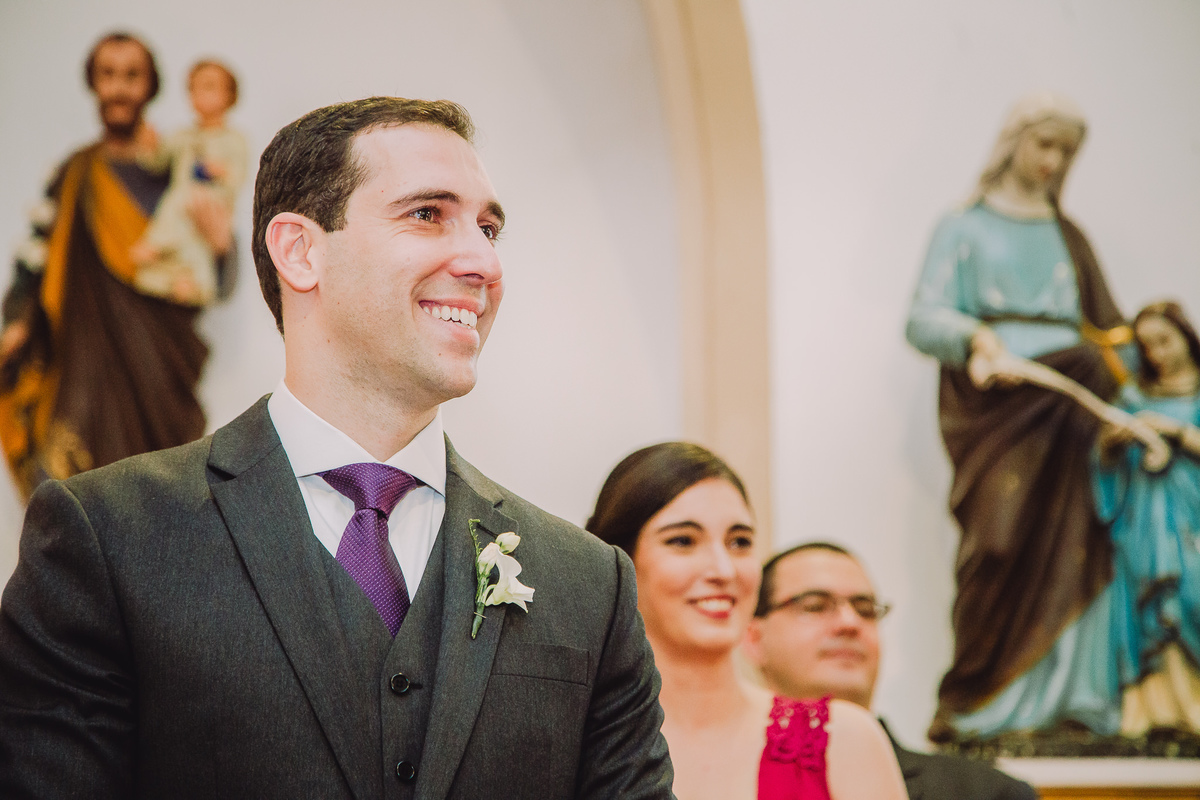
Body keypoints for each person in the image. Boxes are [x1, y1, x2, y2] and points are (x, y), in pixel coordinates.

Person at [0, 97, 673, 798]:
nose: (481, 261)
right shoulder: (108, 539)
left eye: (489, 228)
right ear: (300, 250)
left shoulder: (590, 585)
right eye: (427, 214)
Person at [905, 91, 1131, 741]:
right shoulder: (964, 226)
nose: (1052, 161)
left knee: (1081, 544)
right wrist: (975, 339)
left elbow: (1113, 333)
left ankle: (1072, 703)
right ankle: (976, 703)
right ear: (1014, 143)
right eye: (1044, 145)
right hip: (1001, 401)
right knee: (998, 544)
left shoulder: (1068, 234)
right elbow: (923, 317)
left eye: (1064, 151)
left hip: (1076, 402)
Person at [587, 442, 906, 800]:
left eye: (740, 542)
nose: (723, 570)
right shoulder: (581, 744)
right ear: (620, 564)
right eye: (683, 541)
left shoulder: (846, 741)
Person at [0, 32, 230, 500]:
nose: (119, 87)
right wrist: (15, 323)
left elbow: (217, 276)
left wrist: (222, 247)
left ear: (150, 86)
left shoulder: (174, 167)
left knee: (164, 500)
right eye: (108, 74)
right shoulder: (75, 173)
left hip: (159, 362)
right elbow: (35, 263)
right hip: (80, 361)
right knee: (64, 489)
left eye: (132, 75)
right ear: (94, 83)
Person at [744, 543, 1037, 800]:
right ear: (754, 638)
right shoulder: (720, 779)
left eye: (865, 609)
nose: (849, 623)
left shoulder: (986, 793)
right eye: (815, 606)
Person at [1094, 301, 1200, 735]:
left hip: (1190, 520)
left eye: (1164, 341)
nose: (1156, 353)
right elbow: (1102, 465)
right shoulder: (1133, 397)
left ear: (1185, 337)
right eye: (1146, 345)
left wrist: (1176, 432)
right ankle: (1153, 709)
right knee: (1147, 607)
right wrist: (1112, 446)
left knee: (1190, 597)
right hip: (1144, 521)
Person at [132, 58, 247, 305]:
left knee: (188, 213)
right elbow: (158, 161)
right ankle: (184, 278)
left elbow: (239, 176)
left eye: (209, 87)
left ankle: (160, 245)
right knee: (184, 222)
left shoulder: (234, 140)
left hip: (212, 203)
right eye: (193, 88)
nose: (199, 95)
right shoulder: (183, 136)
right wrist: (148, 145)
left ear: (229, 96)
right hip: (183, 199)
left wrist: (222, 171)